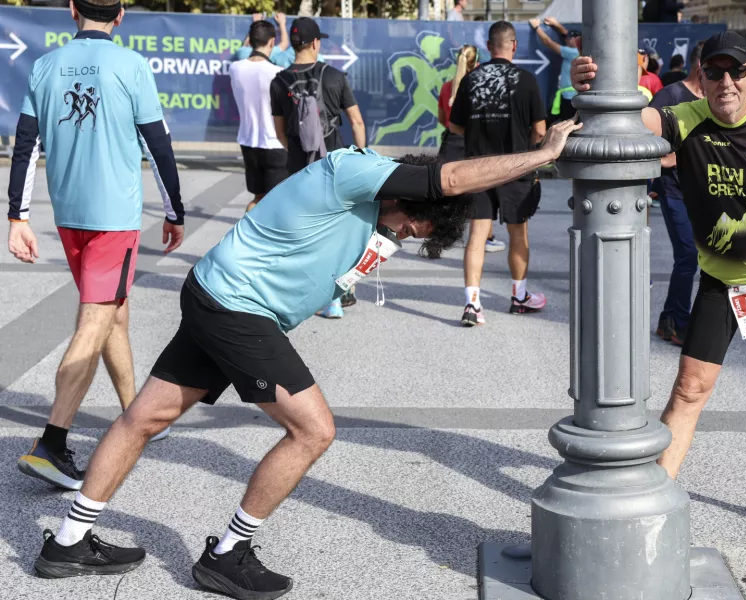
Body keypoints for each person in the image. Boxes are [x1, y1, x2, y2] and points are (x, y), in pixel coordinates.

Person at [29, 120, 583, 596]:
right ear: (410, 197)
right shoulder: (354, 173)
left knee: (145, 417)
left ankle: (69, 544)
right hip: (238, 310)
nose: (409, 236)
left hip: (218, 294)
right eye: (416, 227)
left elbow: (345, 260)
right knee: (313, 431)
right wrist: (545, 154)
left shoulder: (368, 205)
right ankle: (226, 555)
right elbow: (455, 178)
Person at [572, 30, 746, 538]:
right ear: (701, 75)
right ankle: (652, 506)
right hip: (722, 281)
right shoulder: (682, 120)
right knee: (690, 388)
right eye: (713, 72)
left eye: (735, 71)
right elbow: (619, 122)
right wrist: (586, 88)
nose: (725, 83)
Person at [8, 0, 185, 491]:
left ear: (72, 10)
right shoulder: (131, 65)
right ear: (121, 14)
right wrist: (175, 212)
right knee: (93, 321)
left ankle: (135, 413)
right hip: (114, 220)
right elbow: (158, 144)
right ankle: (52, 442)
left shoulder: (45, 65)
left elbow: (25, 144)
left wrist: (16, 217)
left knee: (113, 313)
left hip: (69, 218)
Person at [451, 21, 548, 326]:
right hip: (515, 168)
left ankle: (472, 305)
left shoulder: (470, 80)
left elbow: (454, 127)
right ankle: (519, 297)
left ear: (490, 46)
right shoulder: (528, 80)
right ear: (513, 45)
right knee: (518, 233)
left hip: (477, 168)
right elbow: (540, 131)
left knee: (477, 236)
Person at [270, 16, 366, 319]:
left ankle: (303, 295)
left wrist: (299, 151)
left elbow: (280, 132)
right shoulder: (335, 76)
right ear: (316, 43)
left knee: (303, 231)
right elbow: (356, 121)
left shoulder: (279, 81)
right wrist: (361, 156)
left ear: (294, 44)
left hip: (299, 165)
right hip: (335, 164)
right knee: (340, 230)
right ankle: (336, 297)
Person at [649, 41, 705, 346]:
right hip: (674, 190)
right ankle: (681, 325)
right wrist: (671, 158)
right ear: (700, 66)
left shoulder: (713, 98)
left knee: (698, 258)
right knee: (687, 255)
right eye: (715, 69)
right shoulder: (670, 95)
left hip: (704, 192)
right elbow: (641, 140)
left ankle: (667, 321)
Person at [437, 45, 504, 255]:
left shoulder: (447, 86)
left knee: (445, 191)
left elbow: (442, 119)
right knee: (482, 189)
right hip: (475, 140)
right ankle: (488, 237)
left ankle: (440, 234)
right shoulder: (480, 86)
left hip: (451, 141)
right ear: (477, 63)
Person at [231, 20, 288, 212]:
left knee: (258, 198)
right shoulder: (278, 73)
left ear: (252, 40)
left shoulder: (235, 68)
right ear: (272, 42)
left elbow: (245, 49)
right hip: (275, 144)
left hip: (248, 142)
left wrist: (253, 28)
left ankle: (248, 238)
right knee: (279, 202)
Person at [529, 17, 581, 122]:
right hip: (569, 97)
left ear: (576, 40)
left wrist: (536, 27)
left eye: (569, 38)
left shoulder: (572, 52)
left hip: (569, 99)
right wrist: (556, 24)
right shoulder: (577, 50)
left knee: (566, 124)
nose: (566, 39)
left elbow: (547, 42)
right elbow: (567, 35)